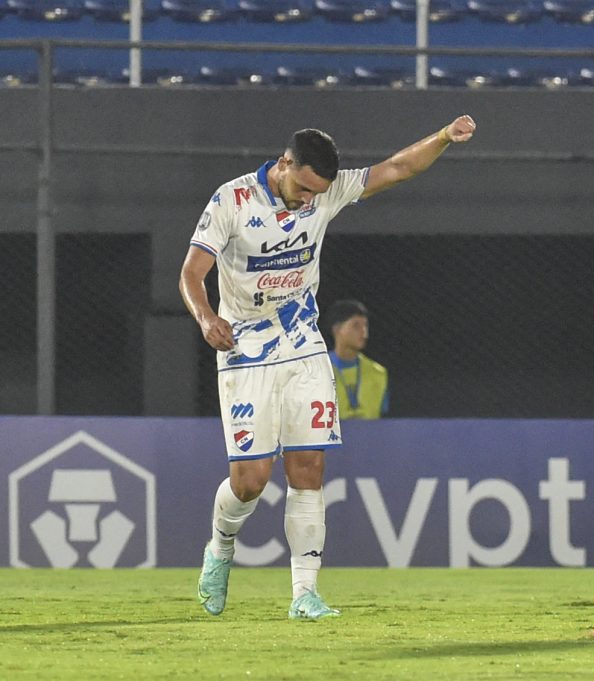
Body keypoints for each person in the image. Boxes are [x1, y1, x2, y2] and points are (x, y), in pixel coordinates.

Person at [180, 115, 476, 619]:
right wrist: (207, 318)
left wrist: (444, 137)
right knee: (250, 480)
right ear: (285, 163)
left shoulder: (326, 192)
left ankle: (304, 594)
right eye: (301, 188)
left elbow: (398, 168)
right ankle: (220, 548)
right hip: (243, 349)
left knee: (308, 469)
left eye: (316, 194)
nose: (305, 200)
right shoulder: (231, 200)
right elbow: (191, 271)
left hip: (303, 346)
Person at [325, 299, 389, 420]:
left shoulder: (378, 373)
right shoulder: (316, 372)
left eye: (365, 325)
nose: (364, 332)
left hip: (370, 438)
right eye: (356, 326)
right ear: (337, 329)